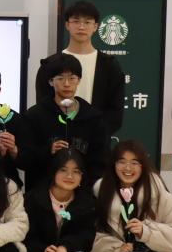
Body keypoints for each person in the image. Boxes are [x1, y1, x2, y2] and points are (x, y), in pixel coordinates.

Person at [34, 1, 126, 134]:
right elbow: (43, 107)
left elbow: (115, 111)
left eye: (87, 22)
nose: (81, 27)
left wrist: (97, 134)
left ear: (95, 26)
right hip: (57, 139)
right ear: (67, 25)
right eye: (76, 21)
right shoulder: (50, 64)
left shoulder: (109, 65)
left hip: (96, 139)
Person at [23, 52, 109, 183]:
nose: (67, 84)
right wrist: (48, 151)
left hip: (83, 190)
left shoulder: (94, 118)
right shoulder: (34, 116)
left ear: (79, 80)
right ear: (51, 81)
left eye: (72, 78)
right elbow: (25, 159)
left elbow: (101, 160)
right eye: (60, 78)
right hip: (43, 190)